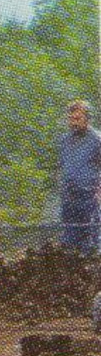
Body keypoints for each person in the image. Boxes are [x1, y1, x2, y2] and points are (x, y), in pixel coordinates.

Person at [57, 100, 101, 255]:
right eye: (71, 119)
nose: (73, 122)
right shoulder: (64, 141)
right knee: (69, 238)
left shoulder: (97, 140)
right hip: (69, 195)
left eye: (77, 119)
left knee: (90, 238)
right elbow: (62, 165)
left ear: (87, 119)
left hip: (89, 195)